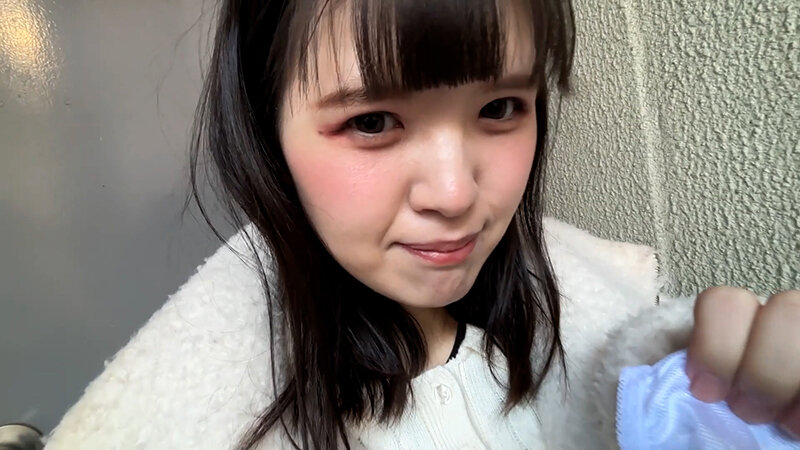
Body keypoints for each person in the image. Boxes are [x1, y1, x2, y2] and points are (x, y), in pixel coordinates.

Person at [46, 0, 799, 448]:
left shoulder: (635, 353)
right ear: (266, 133)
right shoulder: (180, 417)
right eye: (373, 121)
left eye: (500, 107)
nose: (454, 194)